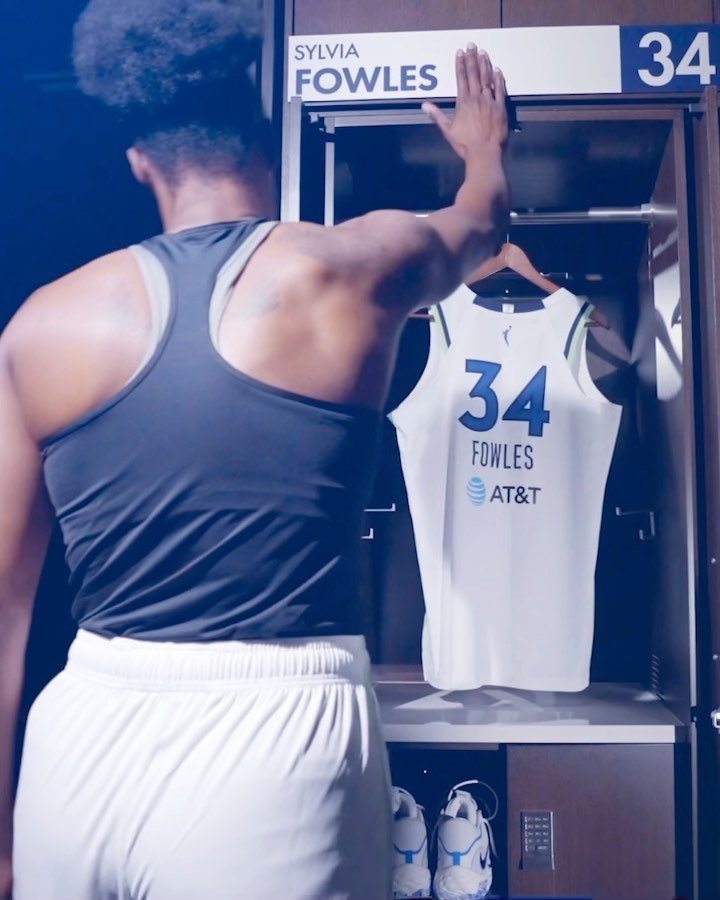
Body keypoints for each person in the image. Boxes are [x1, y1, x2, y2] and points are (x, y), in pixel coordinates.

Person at [0, 1, 509, 898]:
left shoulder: (42, 325)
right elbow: (482, 224)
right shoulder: (357, 263)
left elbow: (4, 606)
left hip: (78, 741)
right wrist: (484, 152)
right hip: (273, 741)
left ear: (140, 161)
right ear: (266, 142)